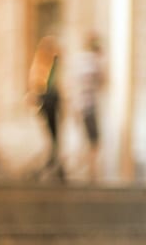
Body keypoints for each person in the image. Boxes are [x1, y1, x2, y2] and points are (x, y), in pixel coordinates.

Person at [28, 34, 65, 182]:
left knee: (54, 135)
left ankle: (54, 162)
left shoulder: (51, 63)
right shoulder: (43, 64)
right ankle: (52, 162)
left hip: (51, 101)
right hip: (47, 101)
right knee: (52, 135)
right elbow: (37, 85)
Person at [71, 32, 106, 182]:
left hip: (79, 105)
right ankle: (90, 171)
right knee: (94, 141)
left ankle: (86, 169)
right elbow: (102, 81)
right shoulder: (92, 62)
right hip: (89, 105)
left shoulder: (79, 60)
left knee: (86, 139)